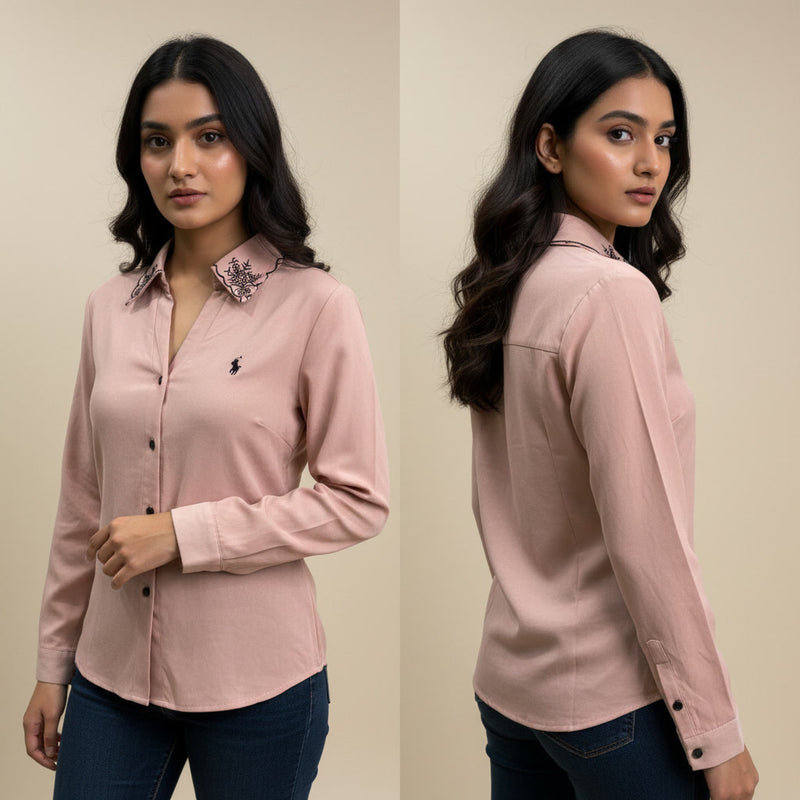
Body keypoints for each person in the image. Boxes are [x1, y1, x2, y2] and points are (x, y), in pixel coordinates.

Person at [23, 35, 389, 800]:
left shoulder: (315, 306)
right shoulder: (109, 308)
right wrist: (53, 665)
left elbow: (359, 500)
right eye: (158, 142)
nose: (180, 165)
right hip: (111, 678)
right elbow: (81, 502)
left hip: (258, 685)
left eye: (209, 137)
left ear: (252, 148)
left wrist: (184, 534)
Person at [443, 30, 758, 800]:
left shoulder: (513, 280)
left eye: (664, 139)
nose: (650, 162)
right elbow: (649, 539)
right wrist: (716, 732)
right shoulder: (610, 295)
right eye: (621, 134)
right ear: (551, 147)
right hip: (613, 705)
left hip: (514, 686)